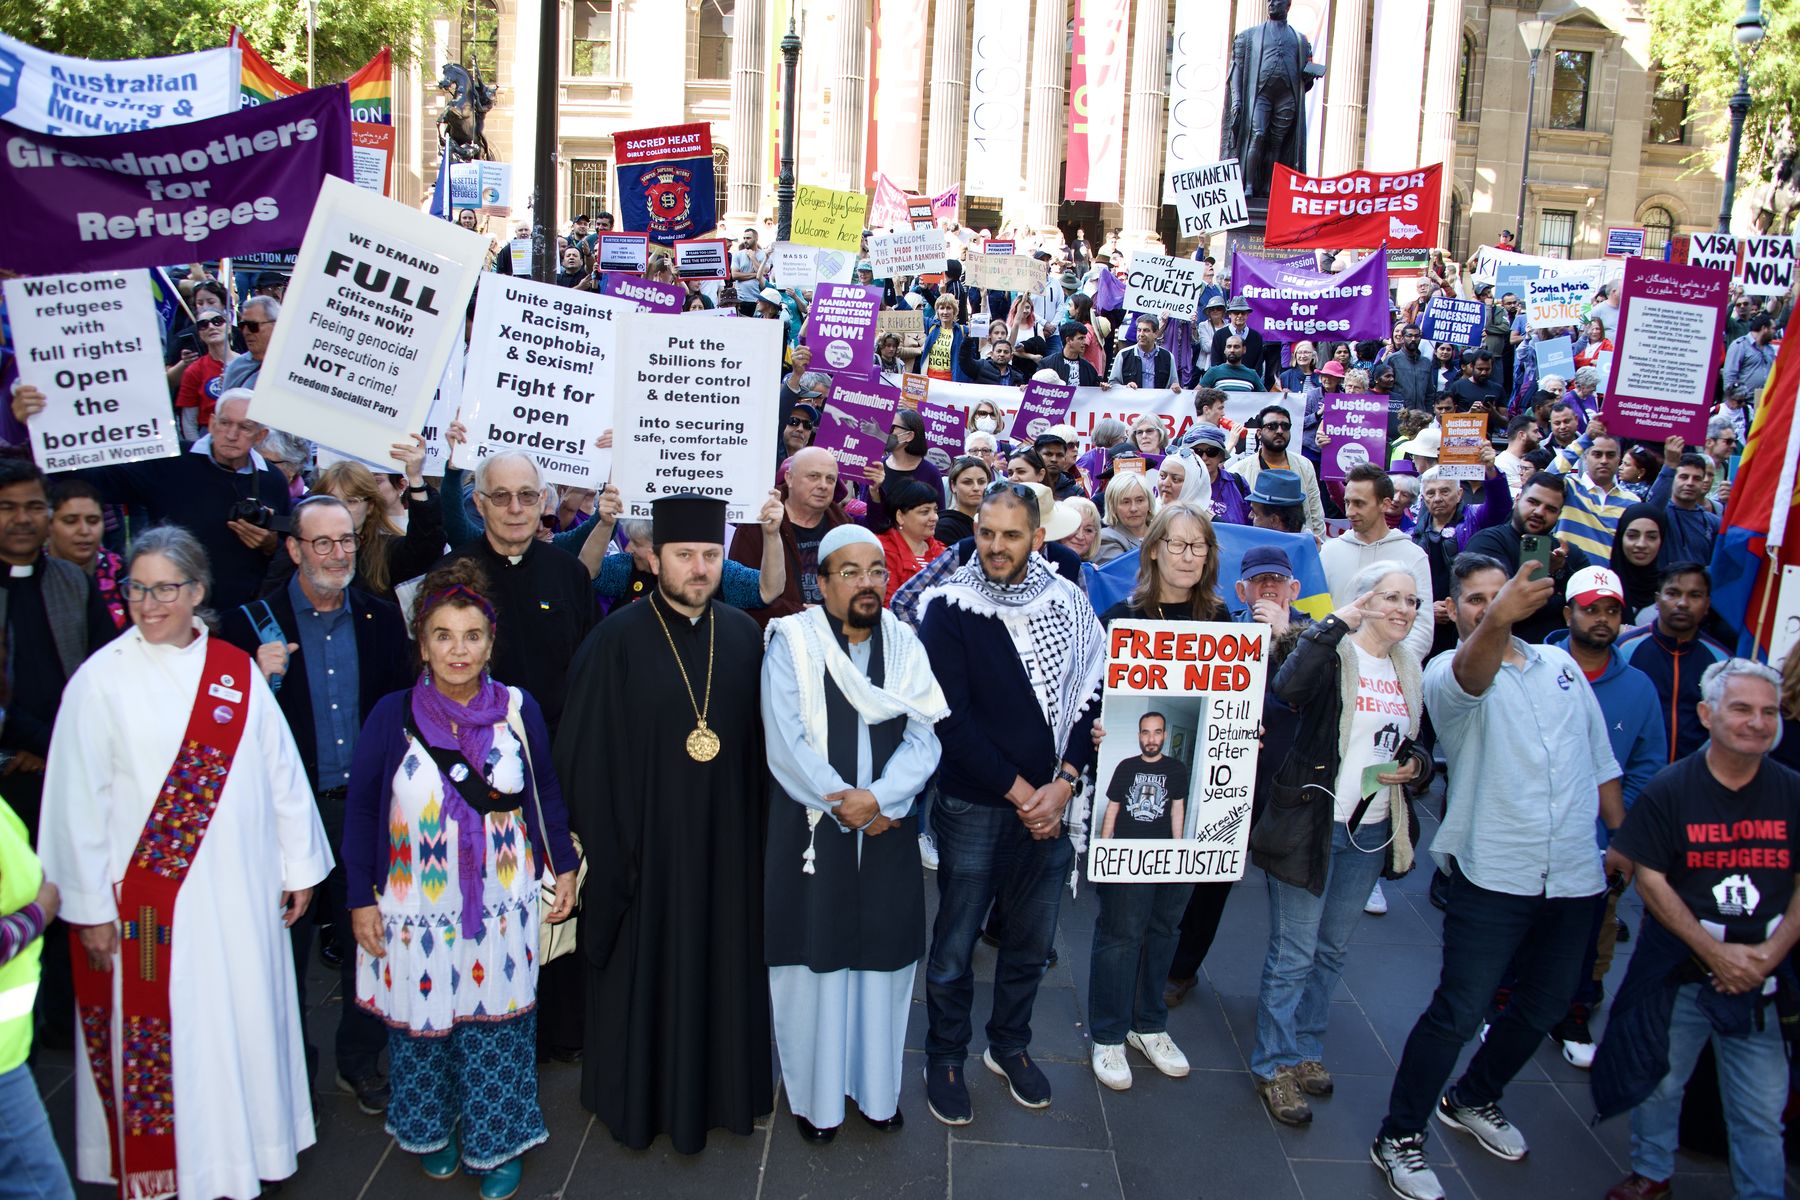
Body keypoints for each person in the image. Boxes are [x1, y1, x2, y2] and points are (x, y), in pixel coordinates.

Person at [40, 525, 332, 1199]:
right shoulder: (99, 682)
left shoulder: (234, 672)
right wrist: (87, 910)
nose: (148, 603)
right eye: (137, 587)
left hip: (237, 893)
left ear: (196, 592)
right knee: (170, 1041)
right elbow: (74, 805)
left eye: (164, 588)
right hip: (147, 908)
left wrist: (298, 868)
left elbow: (279, 770)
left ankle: (248, 1155)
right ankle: (174, 1169)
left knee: (244, 1024)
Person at [1370, 554, 1624, 1200]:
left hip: (1573, 876)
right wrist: (1498, 623)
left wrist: (1625, 845)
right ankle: (1400, 1136)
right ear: (1455, 610)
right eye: (1478, 599)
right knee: (1459, 1010)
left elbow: (1600, 762)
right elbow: (1472, 677)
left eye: (1502, 595)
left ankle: (1476, 1097)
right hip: (1494, 874)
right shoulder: (1446, 674)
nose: (1492, 606)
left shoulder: (1562, 668)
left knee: (1543, 1005)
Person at [342, 558, 577, 1197]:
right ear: (422, 643)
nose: (459, 649)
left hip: (502, 904)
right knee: (424, 1026)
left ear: (490, 641)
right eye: (444, 635)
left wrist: (566, 868)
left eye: (472, 635)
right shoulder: (391, 716)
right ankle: (432, 1126)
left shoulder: (519, 710)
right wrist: (359, 899)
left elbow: (543, 793)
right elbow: (363, 808)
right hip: (411, 905)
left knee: (496, 1022)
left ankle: (497, 1141)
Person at [556, 495, 773, 1153]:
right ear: (653, 557)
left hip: (725, 846)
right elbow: (582, 755)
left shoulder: (744, 635)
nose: (700, 568)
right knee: (641, 977)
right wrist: (613, 847)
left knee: (723, 964)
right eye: (686, 556)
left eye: (711, 555)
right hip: (642, 852)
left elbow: (771, 748)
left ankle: (724, 1092)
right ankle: (638, 1096)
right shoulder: (614, 639)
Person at [918, 482, 1105, 1126]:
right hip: (976, 806)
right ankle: (944, 1055)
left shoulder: (1069, 603)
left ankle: (1010, 1045)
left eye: (1010, 535)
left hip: (1052, 804)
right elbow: (951, 720)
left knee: (1029, 941)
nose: (995, 547)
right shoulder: (947, 606)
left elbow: (1092, 694)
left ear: (1038, 538)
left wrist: (1067, 781)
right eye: (985, 532)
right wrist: (1030, 795)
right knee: (955, 942)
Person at [220, 494, 412, 1113]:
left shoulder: (381, 618)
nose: (337, 553)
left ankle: (359, 1062)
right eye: (323, 543)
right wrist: (254, 675)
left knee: (370, 940)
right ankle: (288, 1067)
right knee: (285, 944)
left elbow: (399, 713)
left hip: (364, 809)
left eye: (347, 541)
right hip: (285, 817)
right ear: (296, 549)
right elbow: (219, 728)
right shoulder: (249, 626)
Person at [761, 525, 946, 1141]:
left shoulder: (905, 642)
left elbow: (925, 733)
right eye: (851, 571)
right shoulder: (792, 641)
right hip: (815, 824)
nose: (867, 582)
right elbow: (786, 742)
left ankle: (875, 1092)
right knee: (815, 961)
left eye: (876, 571)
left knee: (882, 961)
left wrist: (882, 798)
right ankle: (817, 1103)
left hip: (886, 825)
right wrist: (855, 805)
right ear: (822, 582)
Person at [1596, 659, 1798, 1200]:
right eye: (1742, 709)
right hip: (1677, 973)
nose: (1757, 722)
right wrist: (1715, 953)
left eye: (1768, 712)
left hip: (1760, 980)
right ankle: (1652, 1171)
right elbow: (1652, 881)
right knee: (1660, 1082)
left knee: (1760, 1108)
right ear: (1707, 715)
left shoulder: (1793, 792)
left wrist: (1766, 955)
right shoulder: (1671, 789)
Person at [1249, 561, 1432, 1125]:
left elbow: (1415, 746)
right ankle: (1273, 1064)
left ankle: (1306, 1049)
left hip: (1370, 828)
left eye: (1412, 601)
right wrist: (1337, 623)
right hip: (1312, 824)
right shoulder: (1331, 652)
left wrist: (1416, 768)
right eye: (1391, 598)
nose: (1403, 610)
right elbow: (1288, 687)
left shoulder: (1408, 665)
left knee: (1331, 949)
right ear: (1363, 600)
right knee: (1294, 952)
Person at [1086, 502, 1222, 1092]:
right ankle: (1110, 1033)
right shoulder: (1122, 617)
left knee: (1168, 922)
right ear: (1155, 550)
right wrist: (1099, 730)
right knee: (1123, 925)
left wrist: (1245, 731)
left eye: (1199, 547)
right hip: (1126, 808)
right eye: (1178, 544)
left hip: (1194, 810)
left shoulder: (1224, 625)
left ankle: (1150, 1022)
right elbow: (1093, 700)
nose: (1188, 556)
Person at [1538, 566, 1667, 1070]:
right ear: (1568, 612)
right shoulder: (1533, 666)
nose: (1602, 619)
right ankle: (1504, 1005)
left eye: (1611, 611)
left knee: (1594, 937)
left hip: (1596, 844)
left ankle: (1574, 1014)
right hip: (1529, 834)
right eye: (1591, 609)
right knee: (1522, 928)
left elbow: (1645, 766)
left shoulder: (1638, 688)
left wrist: (1617, 831)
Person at [13, 388, 293, 613]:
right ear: (210, 422)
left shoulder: (273, 481)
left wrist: (269, 544)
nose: (231, 434)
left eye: (245, 427)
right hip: (169, 610)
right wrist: (40, 431)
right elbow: (93, 479)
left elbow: (285, 553)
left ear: (261, 435)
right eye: (224, 423)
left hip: (240, 615)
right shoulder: (170, 461)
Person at [442, 452, 596, 735]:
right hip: (471, 741)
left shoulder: (570, 573)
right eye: (501, 496)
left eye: (526, 495)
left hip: (558, 744)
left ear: (541, 500)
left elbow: (589, 668)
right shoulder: (450, 575)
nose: (515, 508)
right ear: (479, 502)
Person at [1615, 564, 1732, 762]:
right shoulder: (1625, 649)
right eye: (1673, 593)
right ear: (1657, 600)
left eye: (1694, 595)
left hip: (1694, 778)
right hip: (1633, 775)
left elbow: (1725, 723)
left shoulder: (1721, 660)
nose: (1682, 603)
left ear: (1707, 605)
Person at [1319, 464, 1434, 664]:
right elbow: (1316, 616)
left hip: (1389, 680)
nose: (1349, 512)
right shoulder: (1328, 553)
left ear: (1385, 504)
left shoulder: (1413, 556)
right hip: (1332, 670)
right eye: (1347, 503)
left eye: (1359, 503)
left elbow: (1422, 625)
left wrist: (1391, 670)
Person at [1464, 474, 1595, 645]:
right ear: (1517, 499)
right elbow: (1500, 606)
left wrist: (1560, 572)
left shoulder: (1571, 554)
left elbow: (1588, 606)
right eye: (1533, 502)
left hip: (1556, 658)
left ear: (1559, 514)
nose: (1540, 512)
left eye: (1550, 509)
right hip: (1497, 652)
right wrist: (1547, 573)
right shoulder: (1487, 542)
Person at [730, 446, 848, 624]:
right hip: (775, 641)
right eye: (814, 476)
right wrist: (803, 616)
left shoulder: (844, 526)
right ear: (789, 478)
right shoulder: (757, 524)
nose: (823, 485)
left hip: (838, 638)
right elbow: (740, 596)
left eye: (830, 479)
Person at [308, 449, 445, 602]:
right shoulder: (304, 545)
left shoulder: (383, 551)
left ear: (370, 507)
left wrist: (415, 478)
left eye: (352, 501)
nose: (340, 508)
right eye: (331, 499)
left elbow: (426, 546)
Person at [1414, 458, 1513, 662]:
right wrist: (1424, 608)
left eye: (1445, 491)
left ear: (1459, 494)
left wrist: (1491, 470)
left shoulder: (1476, 517)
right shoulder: (1412, 535)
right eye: (1431, 493)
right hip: (1429, 626)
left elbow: (1501, 506)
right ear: (1423, 498)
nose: (1438, 498)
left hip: (1470, 620)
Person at [1233, 404, 1326, 536]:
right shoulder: (1239, 471)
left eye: (1285, 426)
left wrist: (1315, 547)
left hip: (1297, 544)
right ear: (1259, 433)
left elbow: (1316, 513)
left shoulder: (1305, 465)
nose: (1280, 431)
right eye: (1272, 426)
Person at [46, 478, 127, 631]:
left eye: (93, 520)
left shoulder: (123, 574)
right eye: (70, 521)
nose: (84, 531)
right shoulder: (32, 577)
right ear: (49, 525)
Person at [1546, 426, 1637, 559]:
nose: (1604, 461)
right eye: (1597, 454)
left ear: (1619, 459)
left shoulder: (1632, 502)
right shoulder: (1570, 487)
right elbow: (1546, 479)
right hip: (1567, 575)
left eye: (1610, 455)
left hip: (1608, 577)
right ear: (1585, 457)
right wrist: (1585, 438)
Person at [1643, 443, 1721, 568]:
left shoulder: (1713, 523)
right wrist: (1669, 465)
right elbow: (1650, 509)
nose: (1690, 483)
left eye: (1696, 478)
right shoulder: (1661, 514)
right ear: (1673, 479)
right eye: (1684, 477)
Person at [173, 306, 239, 442]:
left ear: (229, 327)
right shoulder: (194, 370)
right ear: (200, 334)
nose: (211, 326)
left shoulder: (246, 364)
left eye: (217, 321)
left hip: (244, 430)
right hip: (209, 436)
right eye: (203, 325)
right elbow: (188, 421)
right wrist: (198, 453)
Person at [878, 479, 946, 605]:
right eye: (925, 512)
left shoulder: (942, 551)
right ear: (900, 516)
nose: (934, 517)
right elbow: (890, 605)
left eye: (935, 510)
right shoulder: (881, 552)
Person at [1607, 502, 1668, 621]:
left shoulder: (1671, 590)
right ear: (1620, 538)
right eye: (1632, 536)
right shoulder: (1602, 585)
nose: (1641, 544)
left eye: (1651, 537)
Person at [218, 296, 278, 392]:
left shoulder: (292, 364)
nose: (246, 332)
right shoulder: (235, 368)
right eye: (242, 326)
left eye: (252, 326)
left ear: (275, 325)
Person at [1096, 471, 1156, 564]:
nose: (1133, 508)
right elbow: (1126, 575)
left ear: (1149, 502)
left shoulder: (1163, 532)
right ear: (1113, 506)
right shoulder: (1106, 539)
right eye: (1126, 502)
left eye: (1140, 500)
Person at [1109, 315, 1178, 389]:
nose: (1141, 334)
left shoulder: (1167, 357)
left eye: (1146, 330)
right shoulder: (1123, 355)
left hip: (1158, 400)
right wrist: (1125, 387)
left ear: (1156, 333)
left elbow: (1173, 384)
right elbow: (1113, 384)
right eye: (1139, 330)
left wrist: (1174, 387)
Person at [936, 456, 993, 547]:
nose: (976, 488)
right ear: (953, 486)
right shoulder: (944, 527)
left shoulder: (993, 523)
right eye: (967, 482)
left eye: (981, 482)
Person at [1722, 314, 1776, 403]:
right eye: (1773, 328)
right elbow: (1729, 375)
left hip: (1763, 402)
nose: (1775, 332)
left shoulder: (1769, 349)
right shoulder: (1740, 345)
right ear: (1764, 328)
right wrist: (1734, 401)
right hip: (1742, 403)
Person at [1045, 322, 1104, 387]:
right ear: (1069, 340)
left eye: (1085, 338)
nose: (1084, 342)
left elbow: (1094, 391)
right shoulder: (1047, 364)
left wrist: (1102, 387)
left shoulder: (1089, 369)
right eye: (1081, 338)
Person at [1199, 334, 1264, 392]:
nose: (1232, 350)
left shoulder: (1252, 374)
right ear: (1225, 350)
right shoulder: (1213, 372)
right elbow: (1196, 395)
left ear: (1244, 349)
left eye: (1236, 347)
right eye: (1229, 346)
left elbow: (1266, 398)